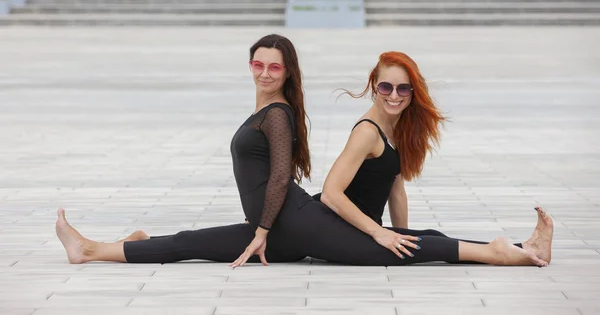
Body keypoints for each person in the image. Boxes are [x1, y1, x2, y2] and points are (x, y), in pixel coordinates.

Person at [55, 34, 551, 267]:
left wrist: (265, 231)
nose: (266, 72)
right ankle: (98, 248)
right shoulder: (271, 114)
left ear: (288, 72)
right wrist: (268, 231)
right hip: (293, 219)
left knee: (409, 246)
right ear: (250, 66)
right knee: (191, 243)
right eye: (259, 64)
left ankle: (509, 253)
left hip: (289, 216)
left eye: (276, 67)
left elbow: (277, 181)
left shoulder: (277, 116)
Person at [312, 51, 552, 263]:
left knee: (430, 238)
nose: (394, 96)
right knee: (431, 245)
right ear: (374, 85)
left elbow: (396, 192)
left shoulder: (395, 129)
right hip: (338, 227)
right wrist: (380, 233)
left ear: (413, 91)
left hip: (360, 228)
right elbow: (330, 193)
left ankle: (527, 248)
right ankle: (501, 254)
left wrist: (402, 236)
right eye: (386, 87)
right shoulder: (366, 132)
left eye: (403, 88)